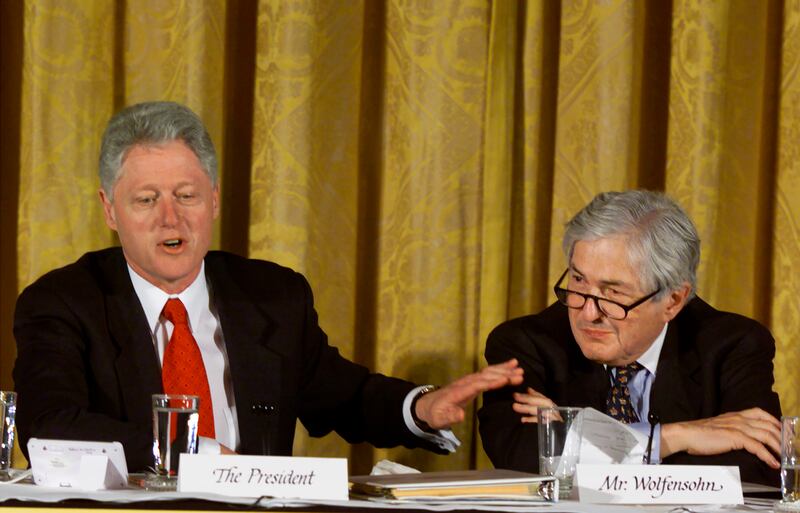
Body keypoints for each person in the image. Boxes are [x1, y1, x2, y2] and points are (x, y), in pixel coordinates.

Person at [13, 101, 523, 472]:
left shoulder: (272, 296)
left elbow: (343, 395)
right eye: (146, 200)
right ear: (109, 210)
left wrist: (420, 408)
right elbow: (51, 424)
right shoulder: (63, 303)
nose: (171, 218)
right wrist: (195, 451)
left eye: (186, 195)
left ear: (213, 199)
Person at [478, 190, 782, 485]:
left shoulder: (733, 345)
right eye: (578, 280)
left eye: (613, 293)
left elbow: (757, 466)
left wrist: (576, 438)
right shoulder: (524, 343)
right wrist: (671, 438)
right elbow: (522, 454)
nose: (587, 314)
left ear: (673, 301)